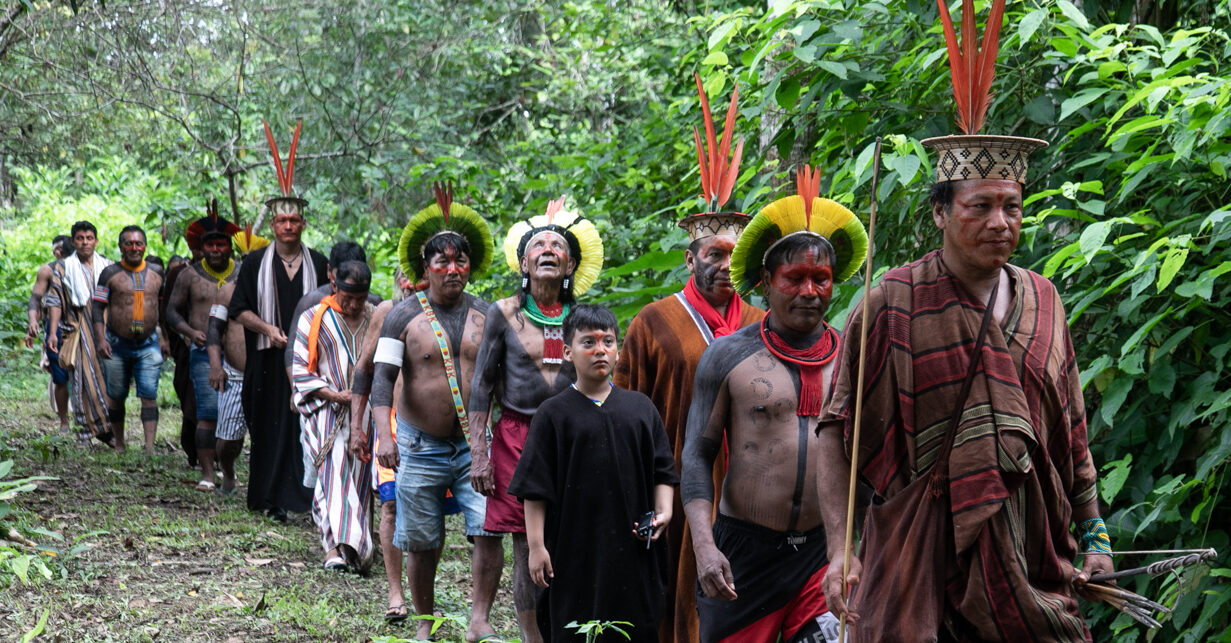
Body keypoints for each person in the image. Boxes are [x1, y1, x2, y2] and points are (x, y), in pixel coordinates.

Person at [816, 6, 1114, 640]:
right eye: (980, 207)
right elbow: (836, 432)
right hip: (922, 560)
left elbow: (1073, 438)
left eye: (1013, 206)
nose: (1001, 222)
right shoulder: (890, 301)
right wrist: (841, 550)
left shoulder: (1045, 298)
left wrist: (1097, 539)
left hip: (1035, 561)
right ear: (940, 215)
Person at [682, 173, 867, 643]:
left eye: (820, 279)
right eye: (794, 278)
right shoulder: (728, 357)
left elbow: (871, 463)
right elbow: (696, 457)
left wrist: (855, 547)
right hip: (744, 551)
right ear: (766, 282)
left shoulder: (853, 359)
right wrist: (704, 548)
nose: (809, 291)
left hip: (823, 554)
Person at [613, 75, 764, 643]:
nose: (724, 264)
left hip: (751, 488)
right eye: (713, 253)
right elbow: (628, 407)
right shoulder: (655, 321)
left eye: (734, 253)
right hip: (676, 480)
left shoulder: (761, 323)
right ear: (690, 257)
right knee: (672, 599)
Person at [358, 184, 503, 639]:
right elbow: (381, 378)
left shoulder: (488, 316)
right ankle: (425, 622)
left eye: (460, 261)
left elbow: (504, 379)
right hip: (418, 444)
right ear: (426, 268)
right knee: (421, 540)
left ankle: (479, 620)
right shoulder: (402, 317)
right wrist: (382, 435)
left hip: (474, 446)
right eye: (442, 262)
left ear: (470, 266)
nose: (452, 270)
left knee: (487, 530)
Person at [468, 197, 604, 643]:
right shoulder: (503, 313)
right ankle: (532, 636)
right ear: (523, 262)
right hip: (515, 437)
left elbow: (606, 381)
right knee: (527, 541)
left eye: (557, 245)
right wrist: (479, 454)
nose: (548, 249)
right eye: (539, 245)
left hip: (575, 436)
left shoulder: (584, 320)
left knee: (575, 534)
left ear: (570, 265)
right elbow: (482, 386)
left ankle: (569, 624)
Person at [511, 304, 679, 643]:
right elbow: (535, 488)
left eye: (608, 341)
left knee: (635, 623)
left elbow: (664, 470)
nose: (600, 350)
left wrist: (664, 512)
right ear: (568, 352)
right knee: (573, 623)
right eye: (588, 342)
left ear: (618, 350)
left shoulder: (640, 409)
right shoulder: (553, 414)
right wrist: (536, 546)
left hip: (633, 548)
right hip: (573, 546)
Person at [228, 122, 329, 521]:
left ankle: (299, 498)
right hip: (267, 359)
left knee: (301, 424)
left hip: (307, 359)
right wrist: (268, 329)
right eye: (281, 220)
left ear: (302, 224)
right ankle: (267, 498)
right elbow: (238, 309)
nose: (288, 226)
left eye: (294, 220)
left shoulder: (319, 263)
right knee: (267, 428)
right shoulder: (254, 262)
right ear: (273, 225)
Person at [290, 260, 376, 571]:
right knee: (333, 476)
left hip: (365, 412)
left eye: (360, 299)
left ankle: (348, 549)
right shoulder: (313, 317)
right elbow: (301, 371)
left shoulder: (375, 319)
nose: (353, 305)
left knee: (359, 477)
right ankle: (343, 548)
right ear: (334, 286)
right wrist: (338, 395)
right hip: (324, 411)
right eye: (347, 298)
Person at [166, 213, 241, 490]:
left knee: (235, 413)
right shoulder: (188, 275)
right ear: (202, 247)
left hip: (236, 353)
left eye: (221, 245)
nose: (216, 250)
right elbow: (171, 311)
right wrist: (189, 331)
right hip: (200, 351)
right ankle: (208, 474)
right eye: (210, 246)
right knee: (207, 412)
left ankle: (228, 469)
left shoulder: (243, 272)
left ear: (229, 247)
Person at [92, 225, 169, 453]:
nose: (134, 248)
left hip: (148, 343)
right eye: (129, 243)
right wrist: (100, 339)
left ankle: (148, 446)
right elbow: (97, 308)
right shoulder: (109, 274)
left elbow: (162, 308)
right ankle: (120, 444)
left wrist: (165, 338)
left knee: (149, 394)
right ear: (121, 247)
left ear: (145, 246)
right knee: (116, 396)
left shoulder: (157, 272)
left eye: (138, 243)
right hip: (116, 344)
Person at [205, 225, 270, 496]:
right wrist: (216, 365)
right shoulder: (227, 291)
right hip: (234, 373)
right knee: (227, 440)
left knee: (267, 434)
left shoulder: (273, 289)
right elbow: (213, 330)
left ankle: (265, 484)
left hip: (268, 373)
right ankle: (228, 473)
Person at [46, 221, 114, 445]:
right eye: (80, 239)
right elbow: (55, 300)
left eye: (89, 238)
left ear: (96, 240)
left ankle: (107, 428)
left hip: (104, 329)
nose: (85, 243)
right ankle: (86, 430)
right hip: (76, 329)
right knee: (82, 380)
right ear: (73, 241)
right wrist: (53, 333)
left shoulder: (108, 266)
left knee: (107, 380)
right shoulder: (63, 267)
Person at [27, 235, 74, 434]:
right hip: (56, 329)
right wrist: (33, 322)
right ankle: (64, 421)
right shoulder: (48, 270)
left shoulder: (88, 266)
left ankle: (86, 419)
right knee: (60, 376)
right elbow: (35, 299)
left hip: (81, 327)